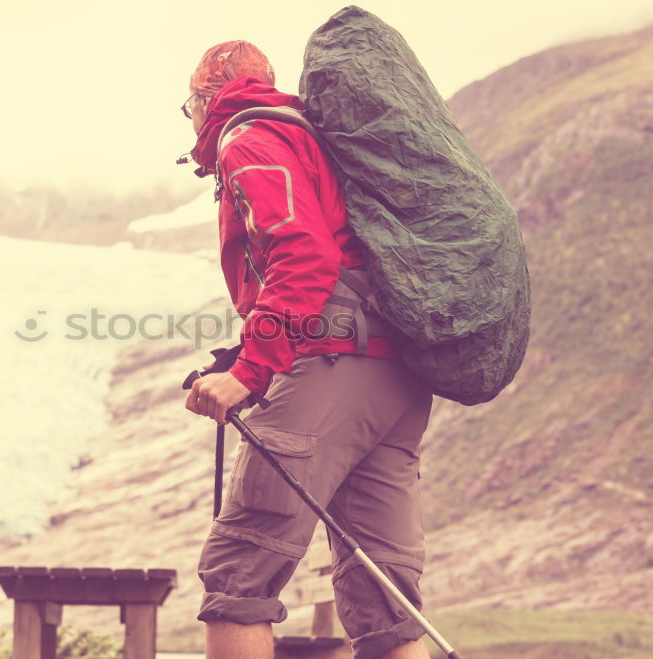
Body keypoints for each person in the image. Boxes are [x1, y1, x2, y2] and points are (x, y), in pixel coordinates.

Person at [182, 41, 435, 659]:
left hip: (332, 364)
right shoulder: (310, 137)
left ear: (205, 100)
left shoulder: (249, 140)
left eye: (186, 104)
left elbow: (304, 255)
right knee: (385, 596)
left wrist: (250, 369)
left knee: (240, 569)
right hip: (394, 376)